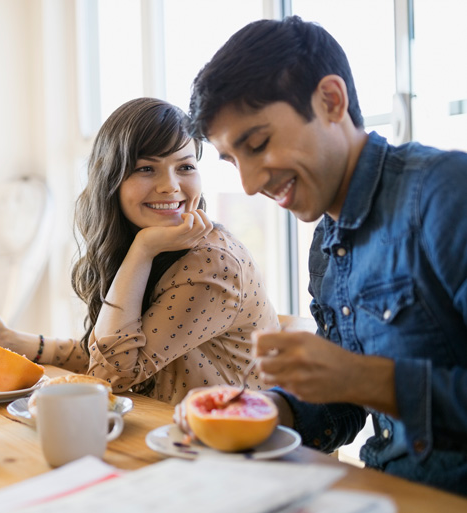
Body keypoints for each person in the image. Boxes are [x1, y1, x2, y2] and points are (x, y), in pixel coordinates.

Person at [183, 15, 467, 495]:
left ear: (331, 101)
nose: (250, 185)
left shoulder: (444, 194)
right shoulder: (327, 242)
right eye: (234, 161)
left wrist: (369, 378)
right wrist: (268, 409)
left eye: (258, 144)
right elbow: (347, 399)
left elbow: (362, 381)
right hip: (385, 493)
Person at [0, 97, 278, 405]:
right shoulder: (158, 245)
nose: (170, 186)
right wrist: (12, 341)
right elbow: (111, 350)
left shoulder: (211, 264)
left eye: (185, 166)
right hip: (172, 436)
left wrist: (143, 250)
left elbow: (110, 375)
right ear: (111, 180)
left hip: (231, 445)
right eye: (146, 168)